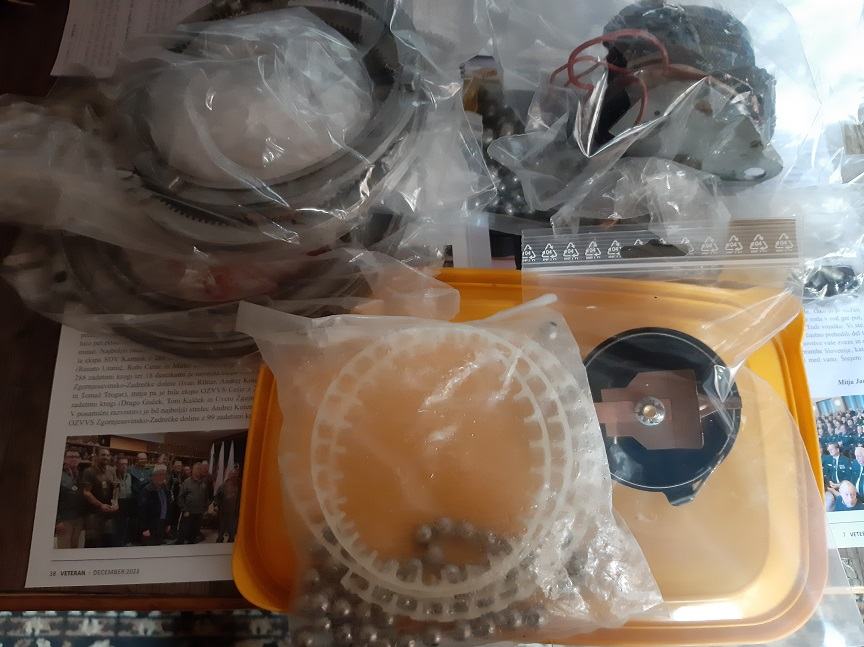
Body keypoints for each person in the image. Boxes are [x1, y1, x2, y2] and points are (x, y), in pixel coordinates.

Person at [80, 448, 118, 547]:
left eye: (108, 455)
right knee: (92, 543)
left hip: (108, 513)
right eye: (103, 455)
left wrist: (116, 503)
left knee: (108, 542)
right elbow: (86, 492)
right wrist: (100, 505)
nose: (106, 457)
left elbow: (116, 488)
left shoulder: (112, 470)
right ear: (97, 456)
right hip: (93, 514)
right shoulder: (89, 471)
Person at [56, 448, 85, 549]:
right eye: (71, 457)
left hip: (78, 519)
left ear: (80, 459)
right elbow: (52, 501)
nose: (74, 459)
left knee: (74, 548)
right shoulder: (58, 474)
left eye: (76, 457)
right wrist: (57, 521)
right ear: (64, 459)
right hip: (64, 520)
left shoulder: (80, 474)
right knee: (63, 550)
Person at [177, 462, 212, 544]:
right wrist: (184, 509)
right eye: (196, 469)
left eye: (200, 469)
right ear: (192, 470)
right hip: (188, 513)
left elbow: (206, 497)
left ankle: (191, 546)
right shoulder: (187, 482)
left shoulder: (204, 483)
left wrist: (205, 508)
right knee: (183, 534)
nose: (198, 471)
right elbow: (180, 497)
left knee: (194, 534)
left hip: (199, 514)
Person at [139, 465, 172, 546]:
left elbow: (167, 507)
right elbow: (142, 511)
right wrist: (145, 528)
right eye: (159, 475)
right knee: (150, 548)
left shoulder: (165, 488)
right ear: (153, 476)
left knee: (159, 545)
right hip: (150, 525)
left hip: (162, 523)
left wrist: (168, 523)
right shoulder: (147, 490)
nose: (162, 477)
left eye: (163, 475)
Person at [214, 467, 241, 543]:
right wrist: (216, 505)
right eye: (232, 475)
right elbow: (217, 497)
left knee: (232, 529)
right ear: (229, 475)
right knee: (221, 528)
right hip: (223, 511)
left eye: (235, 475)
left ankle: (231, 540)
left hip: (234, 512)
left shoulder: (240, 486)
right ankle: (220, 540)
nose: (233, 477)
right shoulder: (223, 486)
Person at [113, 456, 134, 546]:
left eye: (126, 464)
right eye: (122, 464)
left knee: (126, 524)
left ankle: (124, 542)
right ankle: (117, 544)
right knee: (117, 525)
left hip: (127, 502)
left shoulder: (129, 476)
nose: (124, 466)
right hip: (117, 502)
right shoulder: (113, 475)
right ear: (117, 465)